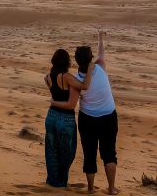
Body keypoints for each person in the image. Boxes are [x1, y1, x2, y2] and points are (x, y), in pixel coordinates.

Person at [52, 31, 119, 195]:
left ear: (76, 61)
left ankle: (90, 189)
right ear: (91, 59)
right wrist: (100, 38)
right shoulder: (100, 67)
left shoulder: (76, 80)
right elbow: (101, 53)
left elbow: (71, 102)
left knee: (89, 153)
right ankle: (111, 188)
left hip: (87, 119)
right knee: (109, 153)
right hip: (108, 117)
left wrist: (54, 101)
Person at [44, 48, 95, 188]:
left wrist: (54, 102)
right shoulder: (66, 77)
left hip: (51, 117)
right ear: (66, 61)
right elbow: (84, 87)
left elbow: (55, 95)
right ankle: (60, 183)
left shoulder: (47, 77)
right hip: (65, 119)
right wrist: (90, 69)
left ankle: (52, 181)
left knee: (51, 151)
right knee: (68, 153)